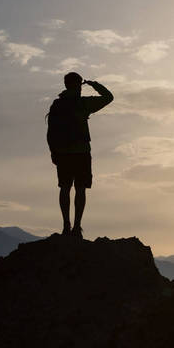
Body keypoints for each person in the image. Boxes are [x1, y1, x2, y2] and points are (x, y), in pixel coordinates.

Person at [46, 72, 113, 238]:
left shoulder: (57, 105)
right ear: (78, 85)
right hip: (81, 152)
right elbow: (108, 97)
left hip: (63, 154)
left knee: (65, 188)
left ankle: (66, 226)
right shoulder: (83, 103)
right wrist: (94, 84)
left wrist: (53, 152)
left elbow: (50, 132)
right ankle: (77, 227)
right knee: (80, 189)